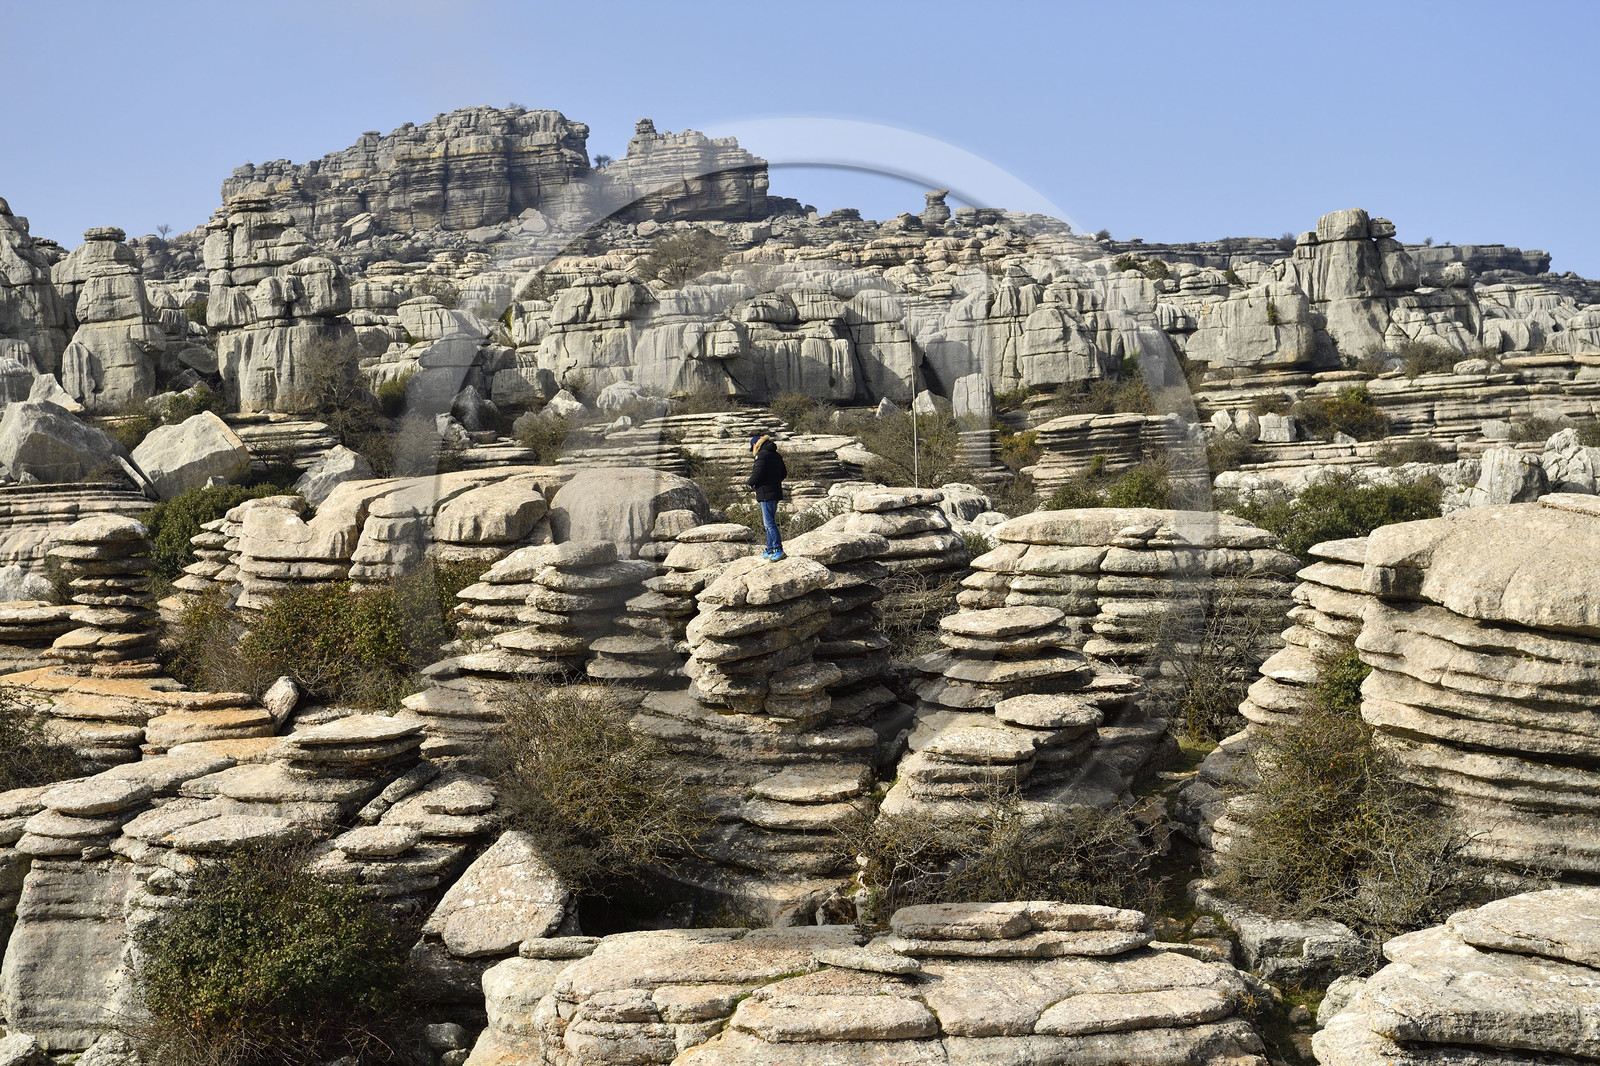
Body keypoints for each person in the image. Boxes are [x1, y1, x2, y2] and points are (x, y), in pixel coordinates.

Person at [747, 433, 787, 561]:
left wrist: (750, 483)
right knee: (769, 522)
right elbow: (784, 473)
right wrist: (774, 481)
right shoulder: (776, 455)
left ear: (755, 445)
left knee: (769, 523)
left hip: (766, 493)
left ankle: (778, 549)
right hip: (775, 491)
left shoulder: (761, 455)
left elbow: (758, 473)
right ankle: (770, 549)